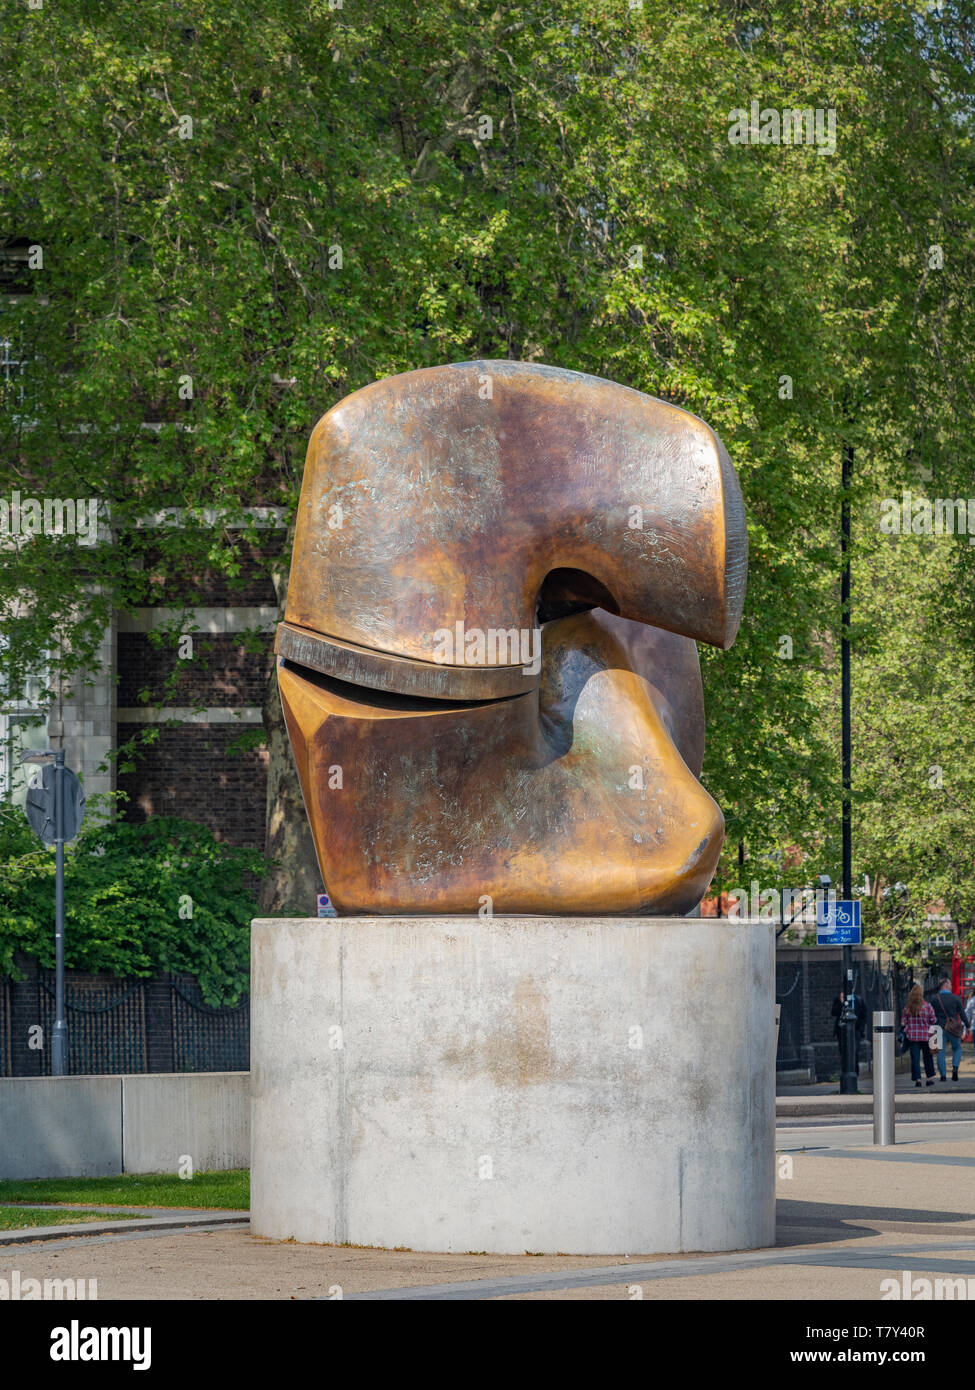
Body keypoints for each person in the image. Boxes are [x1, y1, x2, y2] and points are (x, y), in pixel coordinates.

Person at [901, 983, 937, 1087]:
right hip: (926, 1037)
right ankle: (929, 1079)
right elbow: (933, 1020)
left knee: (915, 1059)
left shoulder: (907, 1008)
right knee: (928, 1058)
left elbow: (903, 1023)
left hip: (912, 1037)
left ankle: (918, 1080)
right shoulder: (927, 1006)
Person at [932, 977, 966, 1081]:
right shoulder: (956, 998)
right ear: (946, 985)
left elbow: (930, 1014)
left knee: (940, 1051)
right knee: (957, 1048)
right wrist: (967, 1026)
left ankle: (943, 1075)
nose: (951, 986)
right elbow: (963, 1014)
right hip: (953, 1028)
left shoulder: (934, 999)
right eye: (950, 984)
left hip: (938, 1027)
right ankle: (955, 1068)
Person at [831, 990, 867, 1073]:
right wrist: (841, 1002)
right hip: (841, 1030)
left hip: (856, 1030)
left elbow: (864, 1015)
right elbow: (833, 1012)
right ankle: (845, 1071)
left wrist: (861, 1029)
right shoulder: (839, 999)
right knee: (843, 1051)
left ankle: (854, 1071)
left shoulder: (858, 1000)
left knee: (854, 1050)